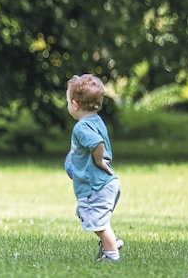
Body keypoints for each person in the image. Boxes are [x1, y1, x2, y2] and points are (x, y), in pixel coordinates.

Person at [65, 74, 124, 262]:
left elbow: (97, 143)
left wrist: (98, 161)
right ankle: (110, 243)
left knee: (98, 224)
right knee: (86, 215)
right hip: (106, 184)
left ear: (75, 104)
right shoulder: (97, 120)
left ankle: (112, 254)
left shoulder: (81, 127)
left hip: (95, 187)